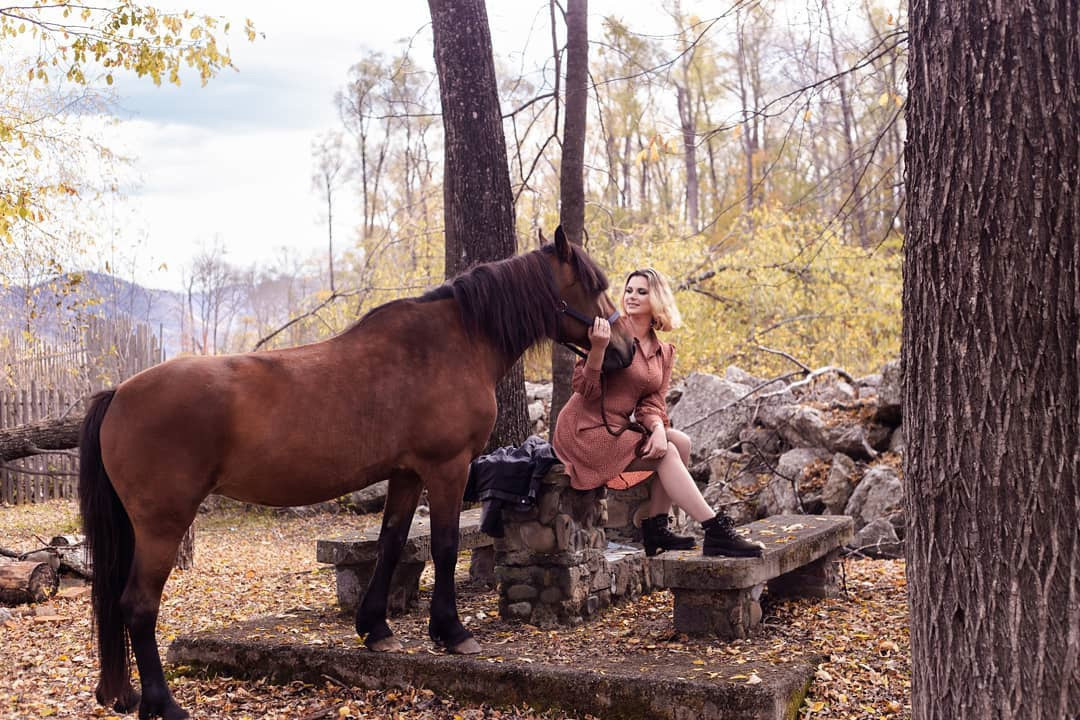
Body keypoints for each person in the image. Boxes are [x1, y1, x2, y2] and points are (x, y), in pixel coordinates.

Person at [552, 267, 762, 558]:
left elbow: (652, 403)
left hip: (616, 428)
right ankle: (715, 529)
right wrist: (598, 350)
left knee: (680, 442)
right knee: (666, 454)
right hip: (584, 430)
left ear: (657, 299)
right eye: (629, 290)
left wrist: (659, 429)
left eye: (642, 291)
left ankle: (656, 529)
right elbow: (584, 390)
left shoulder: (663, 352)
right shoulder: (610, 333)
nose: (632, 297)